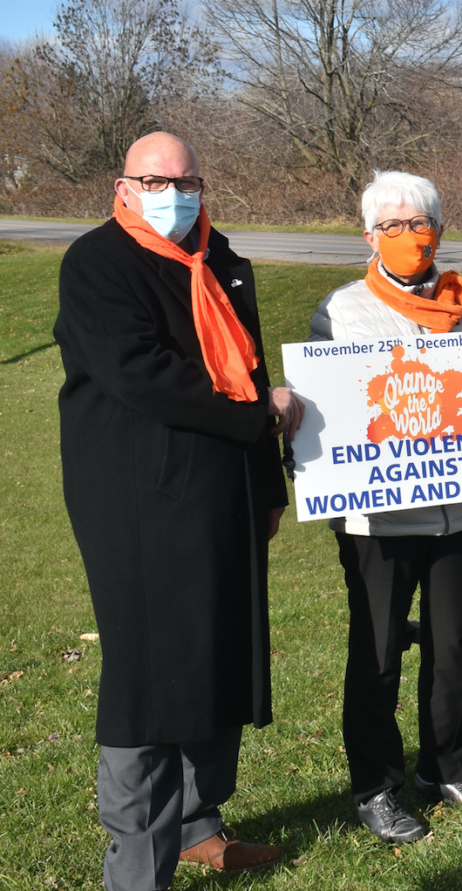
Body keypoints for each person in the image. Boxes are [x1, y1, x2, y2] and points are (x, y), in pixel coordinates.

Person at [55, 132, 302, 891]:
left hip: (222, 495)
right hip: (138, 500)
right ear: (123, 186)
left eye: (188, 179)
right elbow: (144, 375)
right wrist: (258, 412)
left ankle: (200, 823)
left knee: (219, 653)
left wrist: (267, 489)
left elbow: (250, 358)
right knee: (152, 673)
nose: (175, 192)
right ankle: (136, 866)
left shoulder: (218, 258)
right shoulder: (96, 263)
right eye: (156, 179)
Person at [308, 171, 462, 845]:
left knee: (451, 648)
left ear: (440, 230)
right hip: (379, 521)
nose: (407, 236)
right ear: (368, 236)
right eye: (391, 225)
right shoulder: (342, 310)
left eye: (419, 223)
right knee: (379, 654)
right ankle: (376, 787)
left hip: (461, 511)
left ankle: (443, 766)